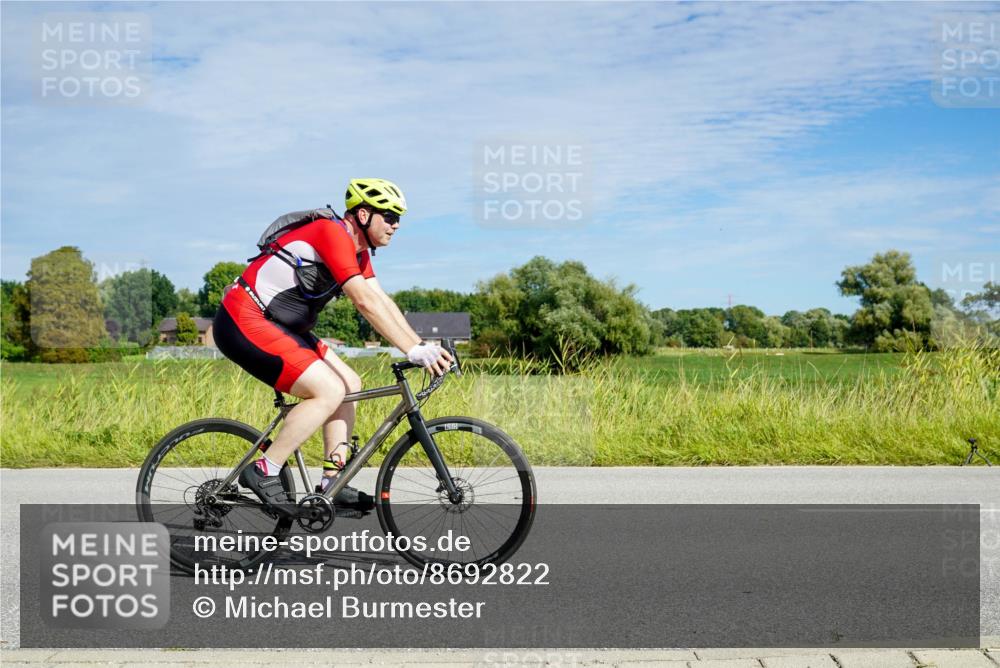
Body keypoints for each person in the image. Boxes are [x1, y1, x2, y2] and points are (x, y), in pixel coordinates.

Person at [212, 178, 452, 515]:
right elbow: (363, 302)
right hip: (244, 319)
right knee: (326, 391)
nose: (396, 225)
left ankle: (331, 482)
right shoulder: (331, 232)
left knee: (350, 385)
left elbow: (381, 299)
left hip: (282, 326)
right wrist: (411, 351)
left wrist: (419, 344)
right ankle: (264, 469)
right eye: (390, 216)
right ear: (364, 214)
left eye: (400, 218)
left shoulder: (360, 251)